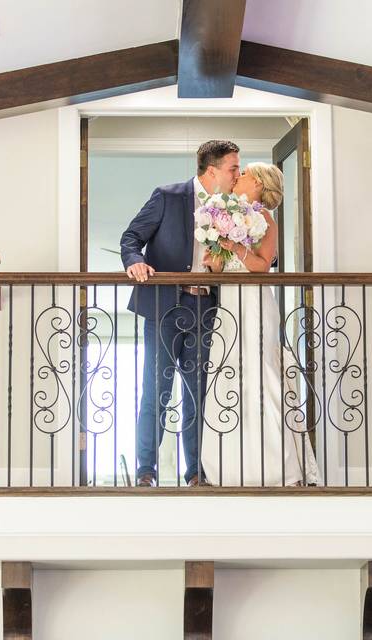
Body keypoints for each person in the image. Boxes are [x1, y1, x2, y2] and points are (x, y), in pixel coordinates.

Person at [120, 140, 241, 487]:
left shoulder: (232, 208)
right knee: (156, 387)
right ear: (212, 170)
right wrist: (136, 261)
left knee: (198, 392)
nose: (238, 174)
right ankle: (147, 471)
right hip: (163, 306)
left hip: (206, 307)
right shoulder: (168, 196)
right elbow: (131, 237)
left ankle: (196, 474)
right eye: (233, 168)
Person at [199, 162, 321, 486]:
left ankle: (273, 467)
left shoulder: (265, 219)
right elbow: (222, 267)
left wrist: (236, 245)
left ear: (259, 183)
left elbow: (261, 268)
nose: (240, 176)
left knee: (259, 371)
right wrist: (213, 261)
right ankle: (229, 467)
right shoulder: (228, 211)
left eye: (247, 173)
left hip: (253, 303)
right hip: (229, 305)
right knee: (227, 374)